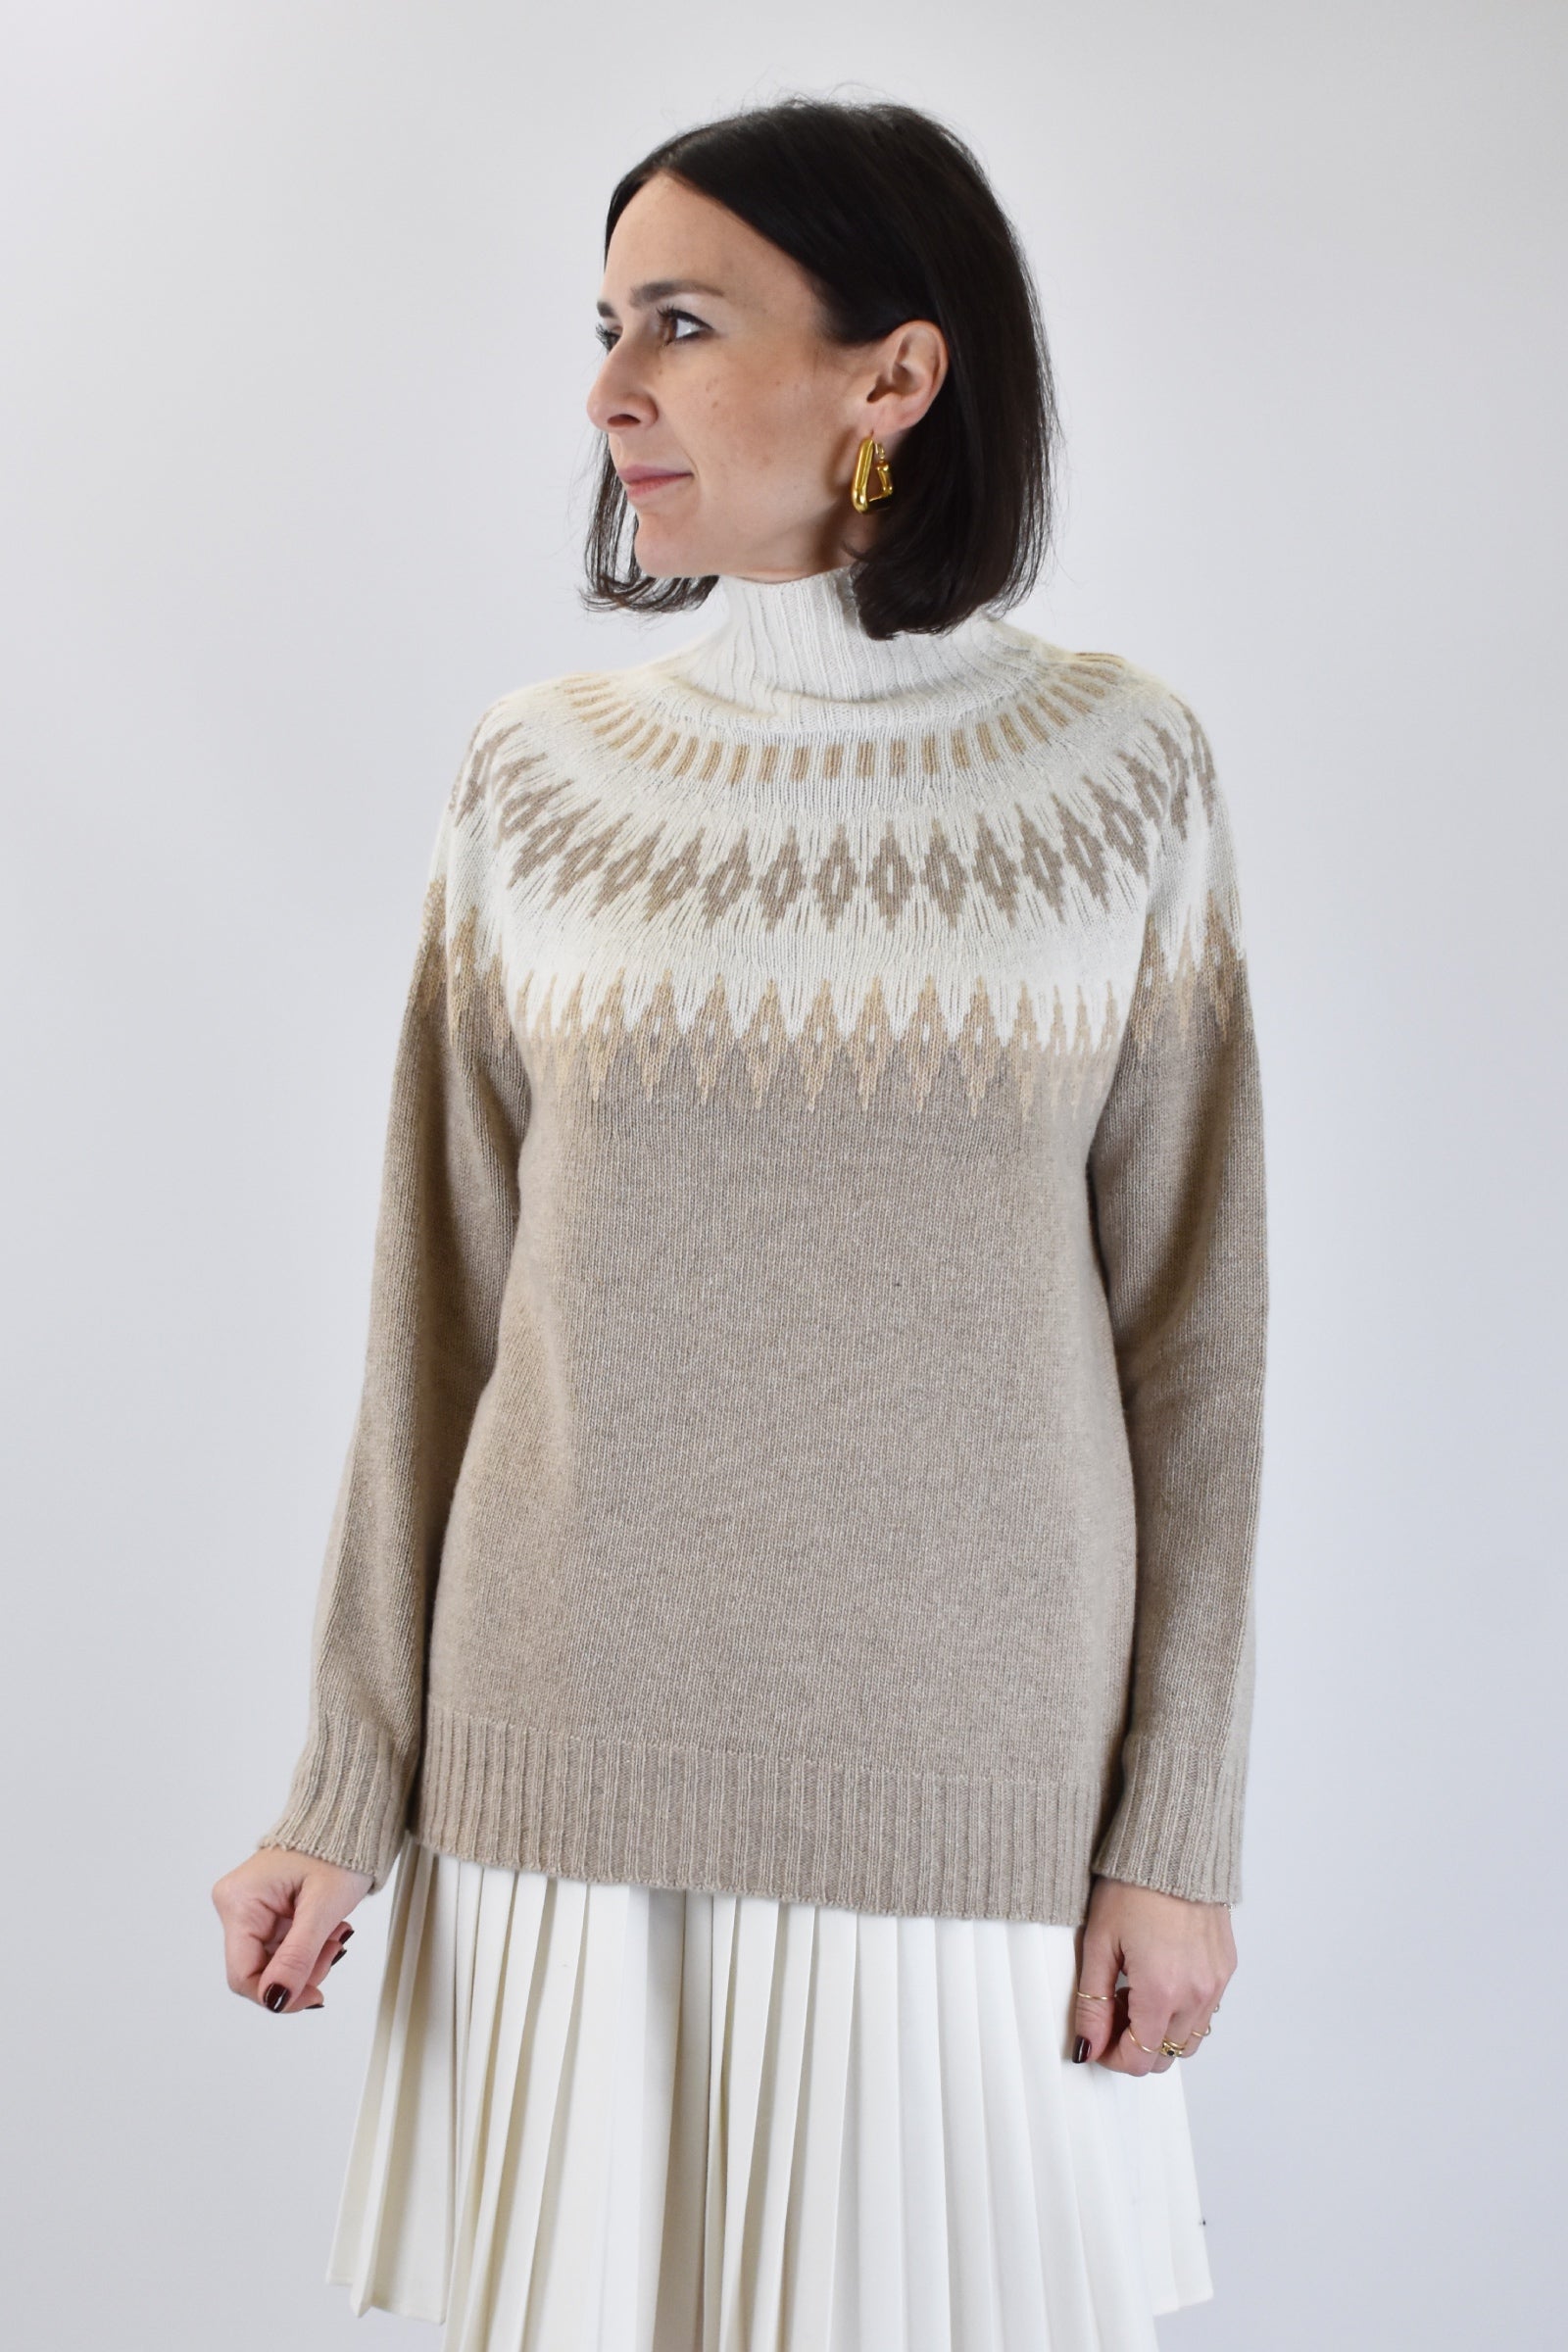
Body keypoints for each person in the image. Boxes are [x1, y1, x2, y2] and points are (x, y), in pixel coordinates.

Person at [213, 94, 1267, 2350]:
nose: (610, 391)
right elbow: (438, 1312)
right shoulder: (540, 776)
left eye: (678, 326)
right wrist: (340, 1786)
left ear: (894, 375)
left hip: (973, 1796)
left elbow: (1191, 1336)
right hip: (559, 1773)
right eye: (602, 329)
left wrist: (1171, 1834)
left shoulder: (1117, 772)